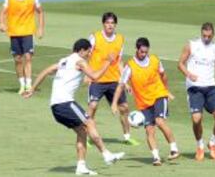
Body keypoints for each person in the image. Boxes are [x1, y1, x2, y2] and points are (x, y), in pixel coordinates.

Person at [24, 39, 125, 175]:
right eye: (89, 51)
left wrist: (32, 88)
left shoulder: (64, 61)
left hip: (56, 106)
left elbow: (46, 71)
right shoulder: (80, 61)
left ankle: (81, 166)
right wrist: (108, 61)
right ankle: (107, 154)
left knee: (82, 131)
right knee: (89, 122)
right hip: (65, 103)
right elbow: (95, 76)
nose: (90, 54)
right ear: (82, 50)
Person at [112, 37, 179, 166]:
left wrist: (167, 91)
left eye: (146, 52)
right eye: (142, 52)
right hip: (143, 103)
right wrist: (114, 103)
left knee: (159, 121)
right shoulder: (130, 66)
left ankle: (174, 149)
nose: (144, 54)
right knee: (149, 130)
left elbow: (163, 75)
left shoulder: (155, 60)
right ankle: (156, 158)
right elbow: (121, 85)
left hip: (159, 95)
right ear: (137, 50)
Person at [178, 22, 215, 161]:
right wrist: (189, 74)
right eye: (204, 36)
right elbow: (180, 64)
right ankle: (200, 145)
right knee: (196, 119)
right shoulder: (191, 45)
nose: (206, 38)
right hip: (194, 88)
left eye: (209, 36)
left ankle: (212, 143)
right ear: (201, 33)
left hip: (211, 87)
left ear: (213, 35)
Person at [87, 12, 138, 145]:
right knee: (92, 106)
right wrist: (88, 74)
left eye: (112, 23)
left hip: (114, 80)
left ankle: (127, 137)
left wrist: (125, 82)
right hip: (97, 80)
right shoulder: (95, 37)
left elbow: (119, 62)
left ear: (115, 25)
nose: (110, 25)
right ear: (103, 24)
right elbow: (87, 55)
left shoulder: (120, 39)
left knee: (124, 108)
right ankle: (89, 136)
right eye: (108, 23)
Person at [0, 0, 45, 94]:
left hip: (28, 31)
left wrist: (40, 28)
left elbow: (40, 12)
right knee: (18, 59)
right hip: (14, 32)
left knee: (28, 57)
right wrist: (2, 24)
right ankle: (22, 84)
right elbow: (3, 12)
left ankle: (29, 85)